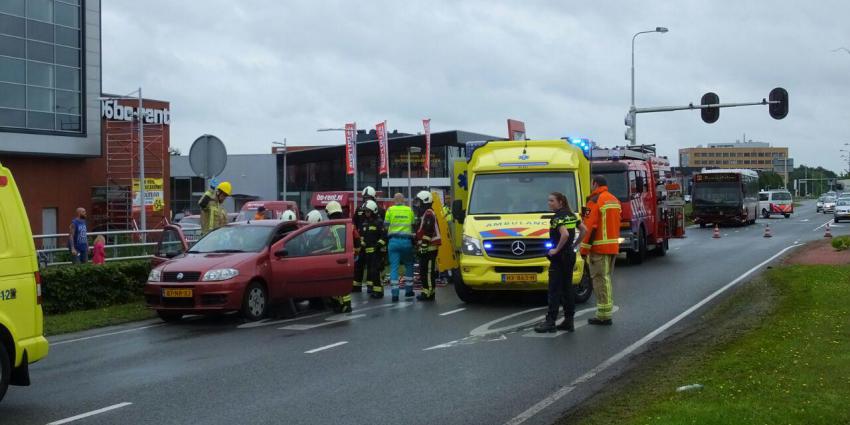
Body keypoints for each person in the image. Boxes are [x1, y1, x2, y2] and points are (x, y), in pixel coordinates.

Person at [534, 193, 587, 333]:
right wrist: (574, 245)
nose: (549, 203)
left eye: (552, 201)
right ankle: (569, 321)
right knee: (567, 288)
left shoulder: (557, 218)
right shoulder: (571, 215)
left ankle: (550, 321)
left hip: (559, 258)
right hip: (570, 255)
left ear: (560, 202)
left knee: (554, 290)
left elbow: (565, 234)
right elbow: (584, 230)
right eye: (548, 200)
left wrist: (556, 250)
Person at [580, 175, 622, 326]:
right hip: (612, 246)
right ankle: (605, 313)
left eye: (591, 184)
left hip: (598, 247)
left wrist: (583, 249)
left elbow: (588, 227)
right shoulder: (614, 200)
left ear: (595, 184)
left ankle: (604, 315)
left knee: (599, 280)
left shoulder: (594, 200)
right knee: (606, 279)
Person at [385, 193, 416, 301]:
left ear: (394, 200)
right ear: (404, 200)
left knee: (394, 267)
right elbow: (413, 224)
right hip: (407, 242)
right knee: (409, 265)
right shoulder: (409, 210)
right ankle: (408, 291)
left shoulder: (390, 210)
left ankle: (395, 294)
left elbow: (385, 225)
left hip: (393, 242)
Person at [353, 186, 384, 291]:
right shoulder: (359, 210)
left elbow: (382, 229)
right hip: (361, 241)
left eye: (369, 198)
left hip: (373, 242)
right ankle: (356, 285)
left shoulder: (379, 210)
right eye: (365, 198)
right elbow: (354, 225)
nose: (367, 200)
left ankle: (371, 285)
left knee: (372, 266)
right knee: (358, 264)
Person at [414, 191, 441, 301]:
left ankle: (429, 292)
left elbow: (428, 231)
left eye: (419, 202)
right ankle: (426, 291)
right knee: (423, 270)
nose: (418, 205)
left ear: (425, 201)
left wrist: (424, 245)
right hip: (427, 248)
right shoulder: (426, 214)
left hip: (430, 248)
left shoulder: (429, 213)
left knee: (428, 271)